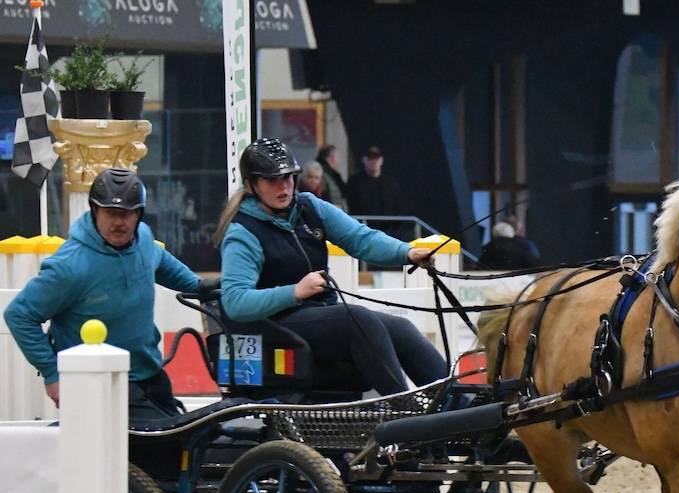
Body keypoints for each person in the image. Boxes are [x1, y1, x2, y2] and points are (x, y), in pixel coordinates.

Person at [215, 138, 447, 396]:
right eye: (273, 180)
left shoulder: (310, 207)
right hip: (275, 327)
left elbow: (361, 238)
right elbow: (235, 302)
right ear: (251, 184)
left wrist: (407, 252)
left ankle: (458, 406)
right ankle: (406, 411)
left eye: (289, 177)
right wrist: (294, 292)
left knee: (400, 328)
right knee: (358, 319)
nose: (284, 187)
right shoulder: (242, 232)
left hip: (320, 317)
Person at [4, 168, 214, 421]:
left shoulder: (143, 238)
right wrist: (52, 374)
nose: (119, 223)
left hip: (149, 374)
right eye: (111, 213)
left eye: (127, 214)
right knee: (157, 454)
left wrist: (200, 287)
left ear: (139, 214)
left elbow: (160, 263)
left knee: (183, 443)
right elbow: (18, 315)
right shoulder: (69, 266)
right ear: (95, 210)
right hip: (97, 382)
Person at [345, 145, 403, 217]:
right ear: (363, 160)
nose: (374, 161)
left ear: (381, 160)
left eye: (377, 158)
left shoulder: (390, 183)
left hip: (387, 227)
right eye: (370, 158)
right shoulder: (354, 182)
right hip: (362, 225)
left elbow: (397, 208)